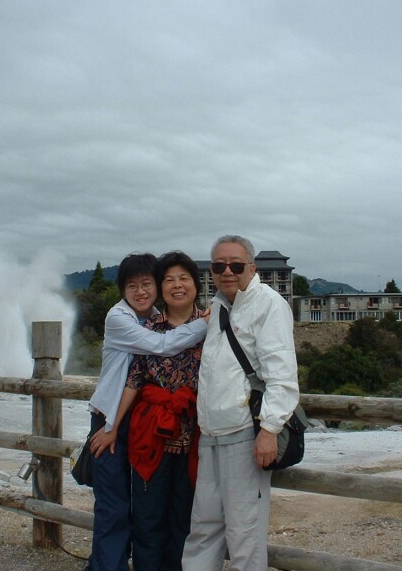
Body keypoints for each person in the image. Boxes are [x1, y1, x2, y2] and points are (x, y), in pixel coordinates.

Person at [181, 235, 300, 571]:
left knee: (244, 533)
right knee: (203, 527)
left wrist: (269, 430)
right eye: (219, 266)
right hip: (211, 434)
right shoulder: (220, 305)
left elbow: (282, 376)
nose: (227, 272)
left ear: (252, 268)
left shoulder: (269, 305)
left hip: (246, 434)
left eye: (235, 265)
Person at [86, 253, 208, 571]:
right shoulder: (123, 319)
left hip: (165, 425)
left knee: (179, 511)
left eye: (147, 284)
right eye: (132, 286)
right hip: (114, 417)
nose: (140, 291)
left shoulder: (152, 315)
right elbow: (158, 349)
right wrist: (111, 426)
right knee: (116, 503)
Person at [123, 251, 204, 571]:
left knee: (186, 520)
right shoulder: (147, 329)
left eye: (184, 278)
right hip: (151, 438)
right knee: (148, 519)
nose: (177, 285)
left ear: (196, 284)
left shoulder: (213, 326)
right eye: (169, 279)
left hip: (196, 439)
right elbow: (134, 379)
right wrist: (112, 426)